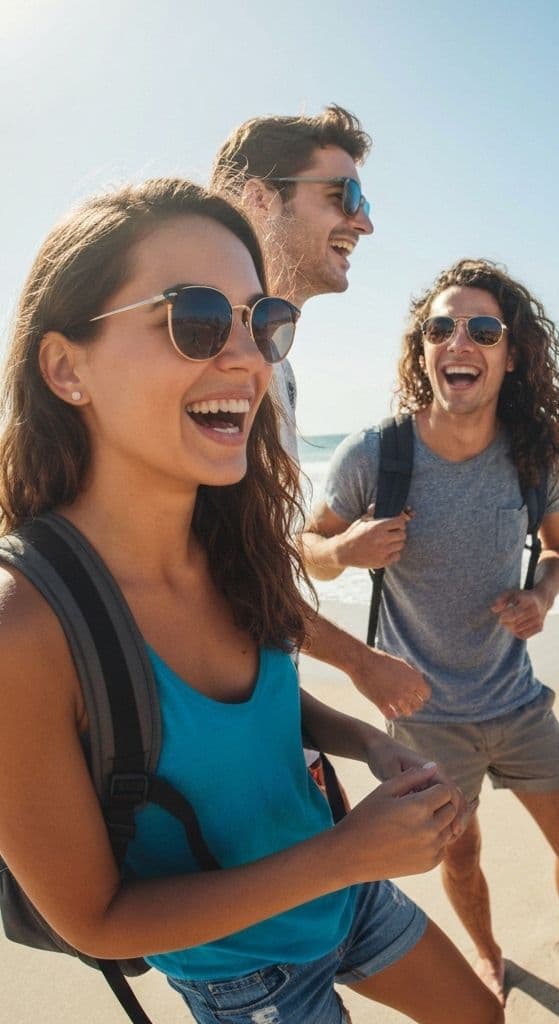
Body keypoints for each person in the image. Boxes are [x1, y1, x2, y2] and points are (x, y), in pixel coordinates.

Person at [0, 179, 503, 1024]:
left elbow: (245, 713)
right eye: (195, 319)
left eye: (261, 322)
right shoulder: (25, 627)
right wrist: (349, 853)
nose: (249, 358)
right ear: (66, 367)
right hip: (245, 974)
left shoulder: (231, 540)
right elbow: (99, 920)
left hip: (346, 894)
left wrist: (366, 744)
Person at [301, 258, 559, 1003]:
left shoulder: (537, 456)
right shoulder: (376, 455)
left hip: (517, 701)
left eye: (483, 330)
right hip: (422, 712)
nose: (460, 342)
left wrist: (542, 594)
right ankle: (489, 954)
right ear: (423, 350)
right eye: (441, 328)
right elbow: (306, 550)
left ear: (511, 355)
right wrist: (345, 550)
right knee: (461, 855)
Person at [211, 104, 429, 721]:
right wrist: (359, 661)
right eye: (343, 196)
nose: (363, 222)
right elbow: (220, 570)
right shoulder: (212, 358)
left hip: (259, 707)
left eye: (363, 202)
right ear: (259, 199)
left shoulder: (277, 366)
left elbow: (265, 563)